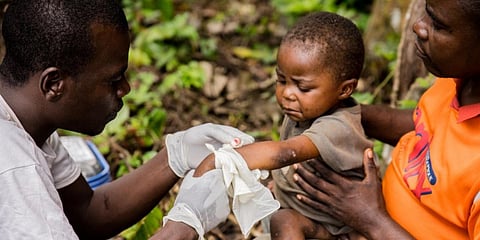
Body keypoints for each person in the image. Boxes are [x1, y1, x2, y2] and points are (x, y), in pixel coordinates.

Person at [0, 1, 254, 239]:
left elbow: (87, 213)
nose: (125, 88)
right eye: (113, 80)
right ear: (54, 84)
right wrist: (184, 226)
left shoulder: (29, 124)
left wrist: (175, 156)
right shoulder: (13, 165)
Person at [293, 0, 480, 239]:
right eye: (427, 13)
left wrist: (371, 219)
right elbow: (426, 128)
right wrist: (340, 111)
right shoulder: (460, 81)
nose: (418, 26)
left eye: (439, 26)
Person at [194, 11, 372, 239]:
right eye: (281, 80)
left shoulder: (338, 127)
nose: (287, 93)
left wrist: (222, 159)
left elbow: (285, 153)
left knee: (285, 220)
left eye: (303, 88)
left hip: (335, 233)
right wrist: (280, 185)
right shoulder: (302, 111)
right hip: (306, 220)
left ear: (345, 89)